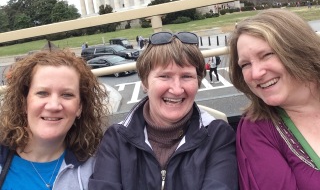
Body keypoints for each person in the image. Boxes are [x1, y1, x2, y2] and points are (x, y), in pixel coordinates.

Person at [89, 31, 238, 189]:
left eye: (186, 76)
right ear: (145, 83)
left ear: (198, 82)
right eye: (164, 76)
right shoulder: (116, 140)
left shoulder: (218, 136)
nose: (176, 89)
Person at [228, 8, 320, 190]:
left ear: (299, 50)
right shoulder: (257, 129)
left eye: (267, 55)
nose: (256, 73)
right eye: (245, 64)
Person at [0, 49, 109, 190]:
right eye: (42, 93)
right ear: (24, 103)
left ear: (79, 107)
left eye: (67, 95)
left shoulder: (99, 165)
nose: (53, 106)